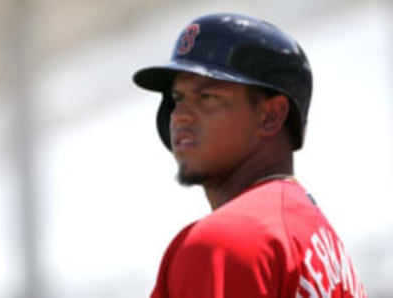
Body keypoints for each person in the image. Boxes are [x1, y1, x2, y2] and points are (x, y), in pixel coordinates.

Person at [132, 13, 367, 298]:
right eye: (178, 98)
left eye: (207, 96)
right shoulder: (318, 237)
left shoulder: (227, 241)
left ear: (271, 115)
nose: (179, 115)